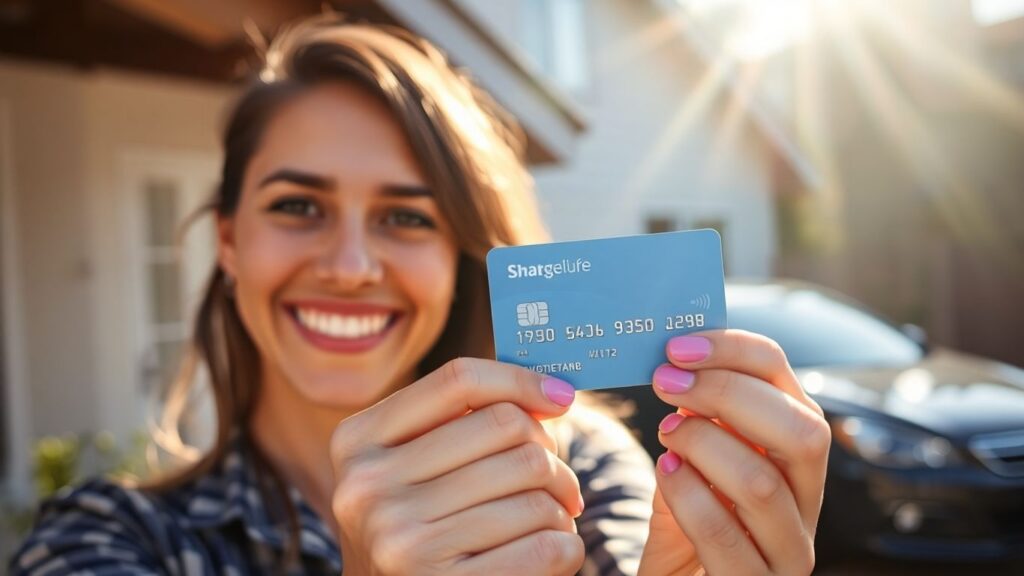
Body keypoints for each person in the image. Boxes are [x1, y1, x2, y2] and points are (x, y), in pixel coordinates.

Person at [9, 15, 829, 576]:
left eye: (406, 216)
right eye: (298, 206)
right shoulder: (101, 541)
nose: (353, 264)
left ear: (461, 255)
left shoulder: (580, 476)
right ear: (229, 240)